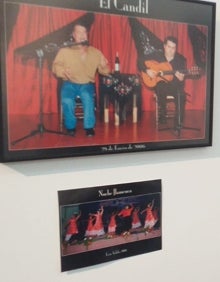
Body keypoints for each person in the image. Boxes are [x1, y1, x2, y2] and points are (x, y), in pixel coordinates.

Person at [52, 21, 110, 136]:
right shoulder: (64, 51)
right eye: (79, 32)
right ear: (73, 35)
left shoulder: (95, 52)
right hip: (70, 83)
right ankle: (70, 126)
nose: (82, 35)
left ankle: (89, 127)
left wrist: (105, 66)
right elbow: (55, 66)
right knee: (67, 100)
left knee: (87, 97)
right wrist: (63, 71)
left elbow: (105, 71)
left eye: (84, 32)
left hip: (87, 84)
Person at [141, 36, 187, 127]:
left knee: (182, 95)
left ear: (176, 48)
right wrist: (147, 70)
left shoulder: (181, 60)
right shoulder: (157, 55)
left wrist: (181, 79)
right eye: (169, 47)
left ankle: (178, 122)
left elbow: (182, 82)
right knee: (161, 85)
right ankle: (163, 113)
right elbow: (140, 61)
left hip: (175, 86)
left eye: (173, 48)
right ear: (164, 46)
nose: (171, 50)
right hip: (161, 87)